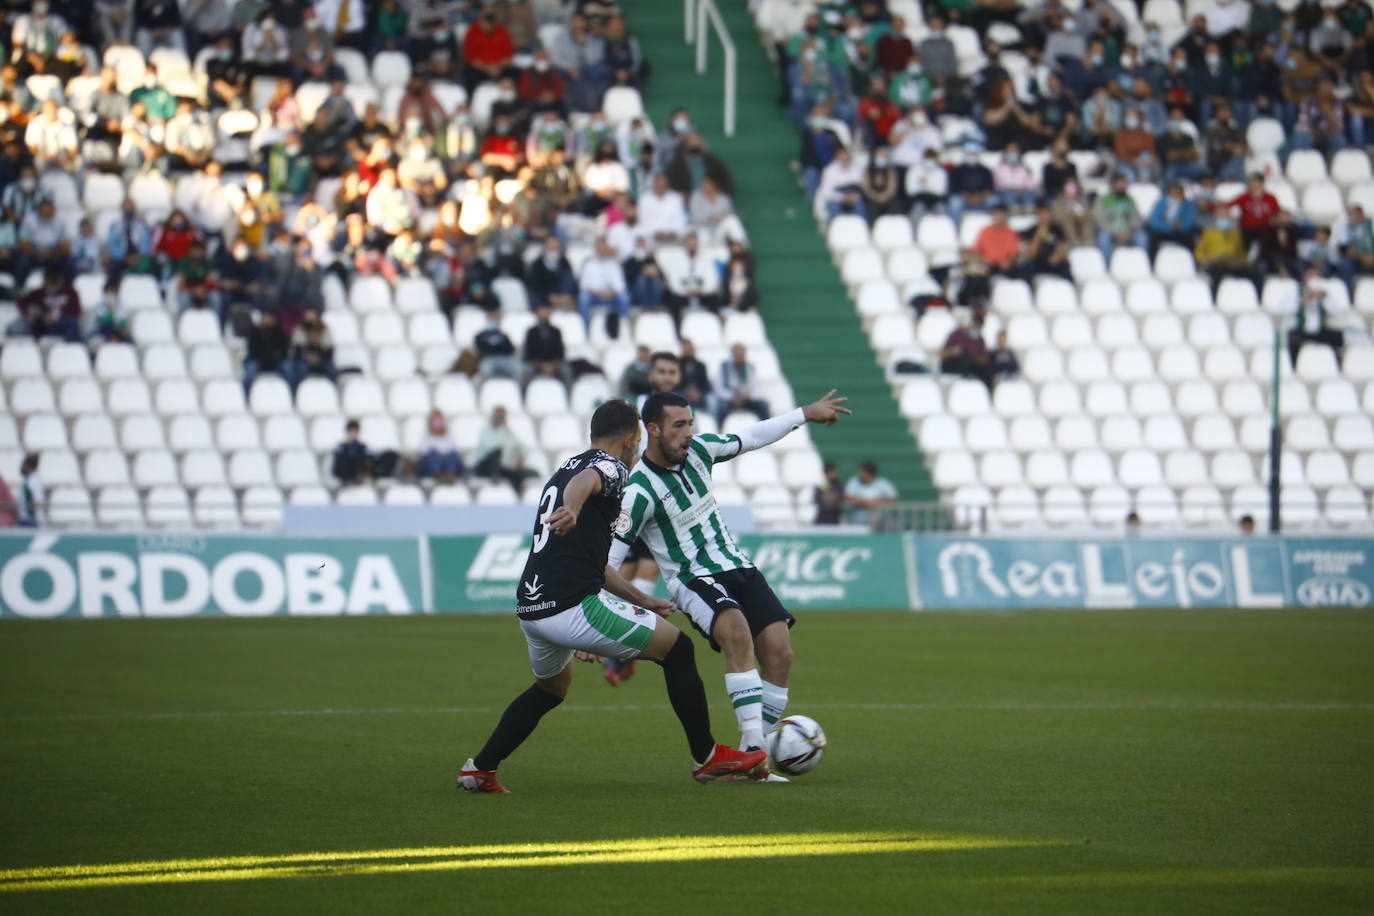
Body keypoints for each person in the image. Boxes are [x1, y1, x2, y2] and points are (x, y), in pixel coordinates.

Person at [458, 399, 767, 793]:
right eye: (636, 441)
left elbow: (597, 562)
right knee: (679, 651)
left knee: (551, 690)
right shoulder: (613, 467)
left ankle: (479, 769)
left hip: (532, 606)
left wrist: (644, 599)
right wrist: (572, 508)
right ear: (630, 438)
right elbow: (584, 483)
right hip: (572, 605)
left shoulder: (562, 469)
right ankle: (707, 756)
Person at [608, 389, 850, 778]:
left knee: (780, 653)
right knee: (737, 635)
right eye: (679, 425)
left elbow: (751, 436)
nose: (689, 432)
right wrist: (598, 614)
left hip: (737, 566)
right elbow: (609, 562)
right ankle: (755, 751)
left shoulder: (701, 451)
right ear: (652, 430)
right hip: (692, 578)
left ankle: (755, 753)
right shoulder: (637, 491)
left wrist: (805, 413)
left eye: (690, 423)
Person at [1284, 265, 1347, 368]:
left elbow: (1337, 312)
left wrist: (1324, 298)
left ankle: (1338, 366)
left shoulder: (1324, 294)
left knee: (1337, 336)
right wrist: (1301, 301)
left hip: (1319, 332)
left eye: (1316, 277)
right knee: (1292, 336)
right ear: (1305, 277)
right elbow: (1283, 310)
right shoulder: (1295, 291)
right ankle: (1294, 367)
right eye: (1311, 276)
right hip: (1302, 332)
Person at [472, 406, 535, 490]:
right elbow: (492, 448)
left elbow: (522, 447)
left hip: (500, 467)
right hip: (484, 467)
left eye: (502, 417)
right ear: (493, 416)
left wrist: (521, 457)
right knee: (496, 453)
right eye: (498, 417)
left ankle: (517, 493)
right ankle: (495, 476)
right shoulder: (485, 431)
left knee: (520, 474)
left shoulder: (507, 432)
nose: (500, 419)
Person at [714, 344, 770, 424]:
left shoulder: (750, 367)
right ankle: (718, 431)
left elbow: (757, 387)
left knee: (763, 405)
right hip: (730, 400)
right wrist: (732, 398)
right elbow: (718, 388)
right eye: (737, 353)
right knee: (720, 407)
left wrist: (748, 397)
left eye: (741, 353)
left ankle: (765, 428)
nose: (739, 356)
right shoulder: (724, 367)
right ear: (732, 354)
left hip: (746, 400)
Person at [843, 462, 897, 527]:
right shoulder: (854, 481)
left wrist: (876, 502)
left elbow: (892, 499)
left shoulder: (882, 483)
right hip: (858, 516)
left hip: (879, 516)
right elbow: (848, 496)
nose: (859, 474)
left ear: (870, 474)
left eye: (862, 472)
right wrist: (865, 502)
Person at [418, 410, 463, 481]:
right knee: (432, 454)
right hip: (431, 466)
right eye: (435, 421)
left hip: (446, 463)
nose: (437, 424)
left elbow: (453, 451)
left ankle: (450, 475)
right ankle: (438, 475)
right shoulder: (427, 438)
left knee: (452, 454)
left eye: (439, 421)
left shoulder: (448, 437)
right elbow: (424, 454)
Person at [332, 419, 369, 485]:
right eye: (351, 431)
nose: (353, 434)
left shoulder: (362, 446)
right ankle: (346, 479)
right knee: (343, 456)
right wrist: (347, 446)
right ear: (347, 432)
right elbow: (337, 459)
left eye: (355, 431)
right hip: (344, 473)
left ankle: (358, 477)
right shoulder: (341, 446)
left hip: (357, 472)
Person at [16, 453, 43, 528]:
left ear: (29, 465)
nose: (22, 466)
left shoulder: (35, 481)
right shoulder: (28, 480)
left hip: (30, 520)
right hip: (24, 518)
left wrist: (29, 508)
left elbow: (38, 501)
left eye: (24, 464)